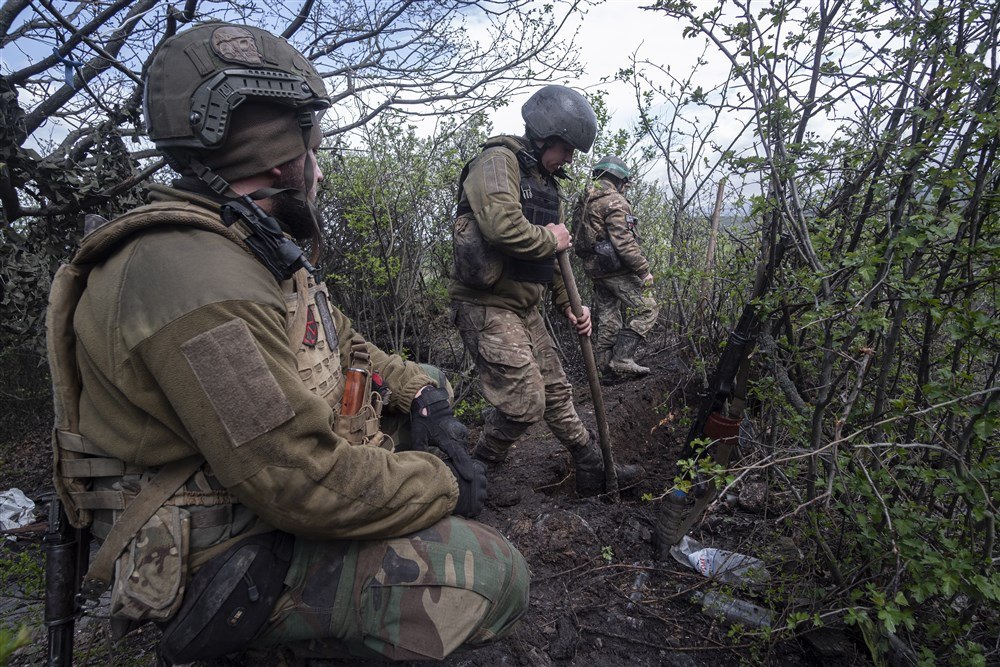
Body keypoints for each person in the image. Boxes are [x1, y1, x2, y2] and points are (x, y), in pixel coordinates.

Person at [46, 22, 527, 664]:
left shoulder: (244, 243)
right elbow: (297, 481)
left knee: (430, 381)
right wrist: (440, 482)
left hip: (254, 493)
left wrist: (417, 394)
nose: (319, 167)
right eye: (313, 147)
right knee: (497, 574)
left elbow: (341, 340)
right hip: (221, 553)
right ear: (283, 157)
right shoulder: (200, 282)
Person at [449, 86, 643, 495]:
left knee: (556, 390)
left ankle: (591, 464)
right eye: (567, 148)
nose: (570, 158)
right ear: (544, 136)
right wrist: (550, 239)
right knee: (525, 401)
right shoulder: (497, 162)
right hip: (486, 304)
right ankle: (477, 469)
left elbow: (555, 257)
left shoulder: (545, 182)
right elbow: (502, 226)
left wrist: (570, 305)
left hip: (524, 306)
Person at [573, 155, 659, 377]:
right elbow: (624, 241)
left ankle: (606, 371)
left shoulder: (585, 200)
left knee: (609, 317)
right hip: (614, 270)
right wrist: (643, 270)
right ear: (619, 179)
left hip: (595, 269)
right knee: (648, 308)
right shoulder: (615, 201)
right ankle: (622, 359)